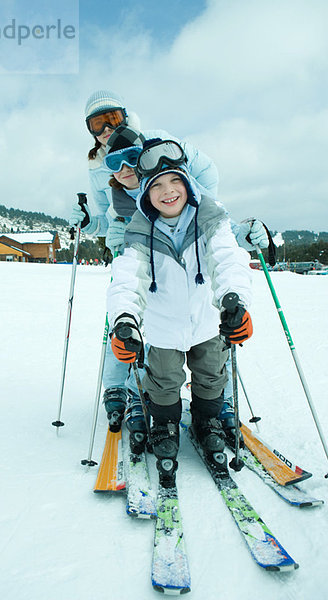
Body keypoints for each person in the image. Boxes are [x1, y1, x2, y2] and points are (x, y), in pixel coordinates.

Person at [69, 90, 222, 444]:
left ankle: (215, 396)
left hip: (174, 237)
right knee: (124, 313)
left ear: (127, 116)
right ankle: (119, 387)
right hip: (130, 242)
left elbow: (202, 180)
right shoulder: (99, 165)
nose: (107, 129)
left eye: (113, 119)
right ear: (90, 131)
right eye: (97, 124)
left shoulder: (154, 147)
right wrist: (91, 223)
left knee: (199, 311)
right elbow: (107, 218)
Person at [102, 125, 268, 448]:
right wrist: (124, 318)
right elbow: (126, 277)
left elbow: (227, 258)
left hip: (206, 321)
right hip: (163, 329)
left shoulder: (209, 217)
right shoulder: (139, 230)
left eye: (175, 181)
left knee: (211, 375)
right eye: (158, 186)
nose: (169, 191)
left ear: (188, 183)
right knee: (163, 382)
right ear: (147, 194)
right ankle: (165, 424)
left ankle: (207, 420)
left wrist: (234, 299)